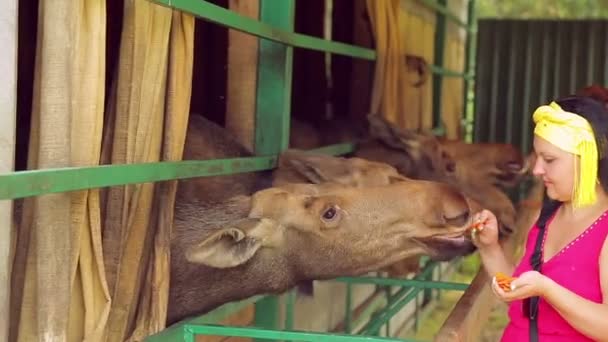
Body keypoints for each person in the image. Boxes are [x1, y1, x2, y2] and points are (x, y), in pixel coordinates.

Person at [472, 95, 608, 341]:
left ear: (586, 160)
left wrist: (546, 289)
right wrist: (489, 247)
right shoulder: (544, 217)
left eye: (550, 160)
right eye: (537, 157)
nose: (536, 170)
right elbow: (522, 300)